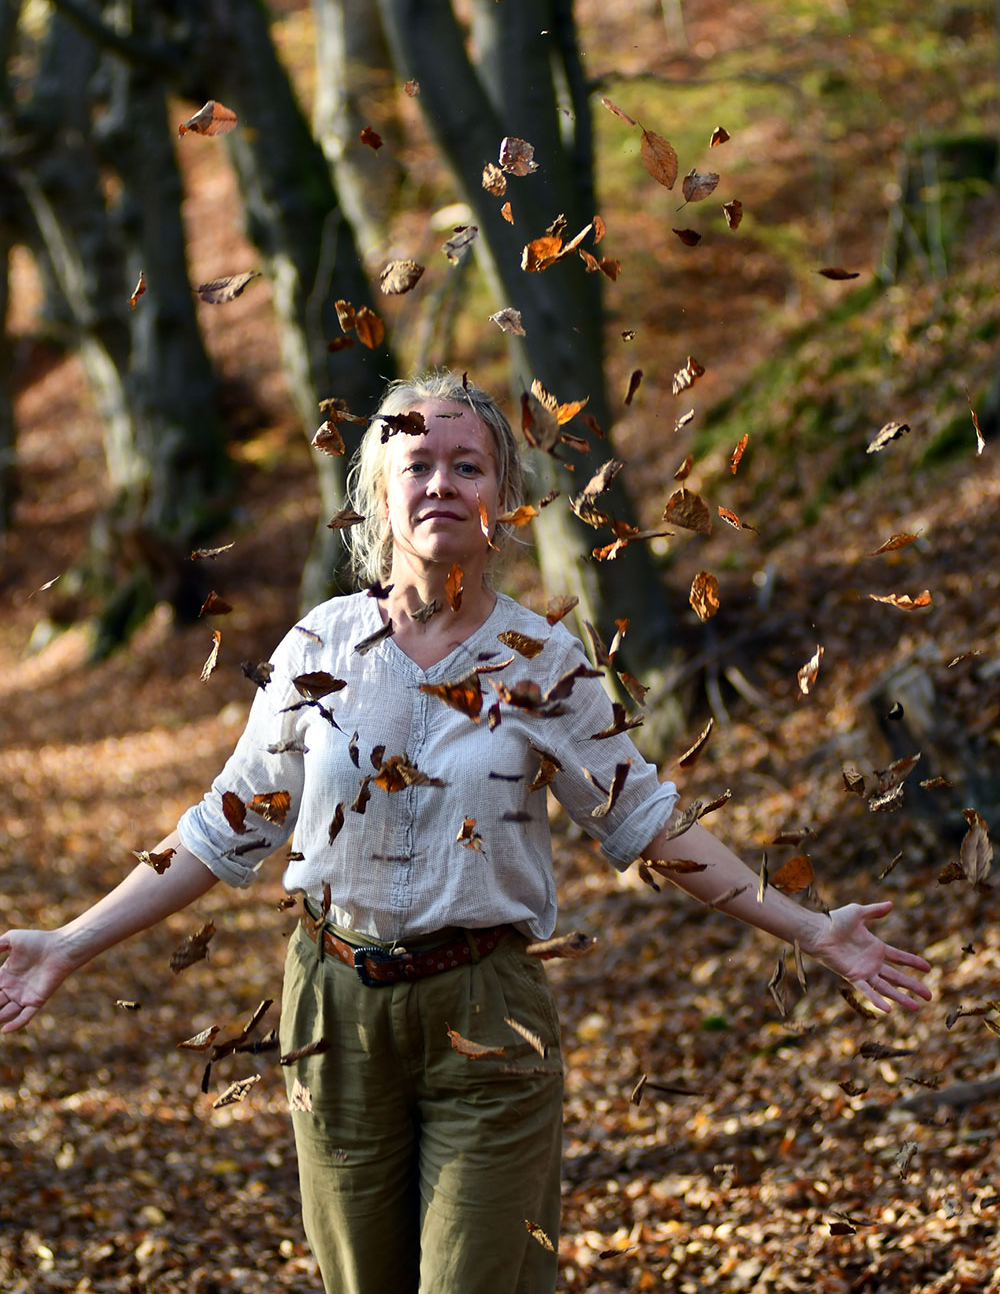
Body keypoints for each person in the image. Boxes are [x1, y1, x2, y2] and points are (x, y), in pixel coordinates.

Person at [0, 371, 932, 1294]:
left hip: (487, 1012)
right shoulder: (316, 649)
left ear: (504, 503)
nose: (441, 482)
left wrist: (811, 931)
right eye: (416, 464)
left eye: (468, 465)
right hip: (332, 1015)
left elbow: (648, 819)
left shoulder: (545, 659)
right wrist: (68, 947)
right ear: (377, 495)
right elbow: (218, 830)